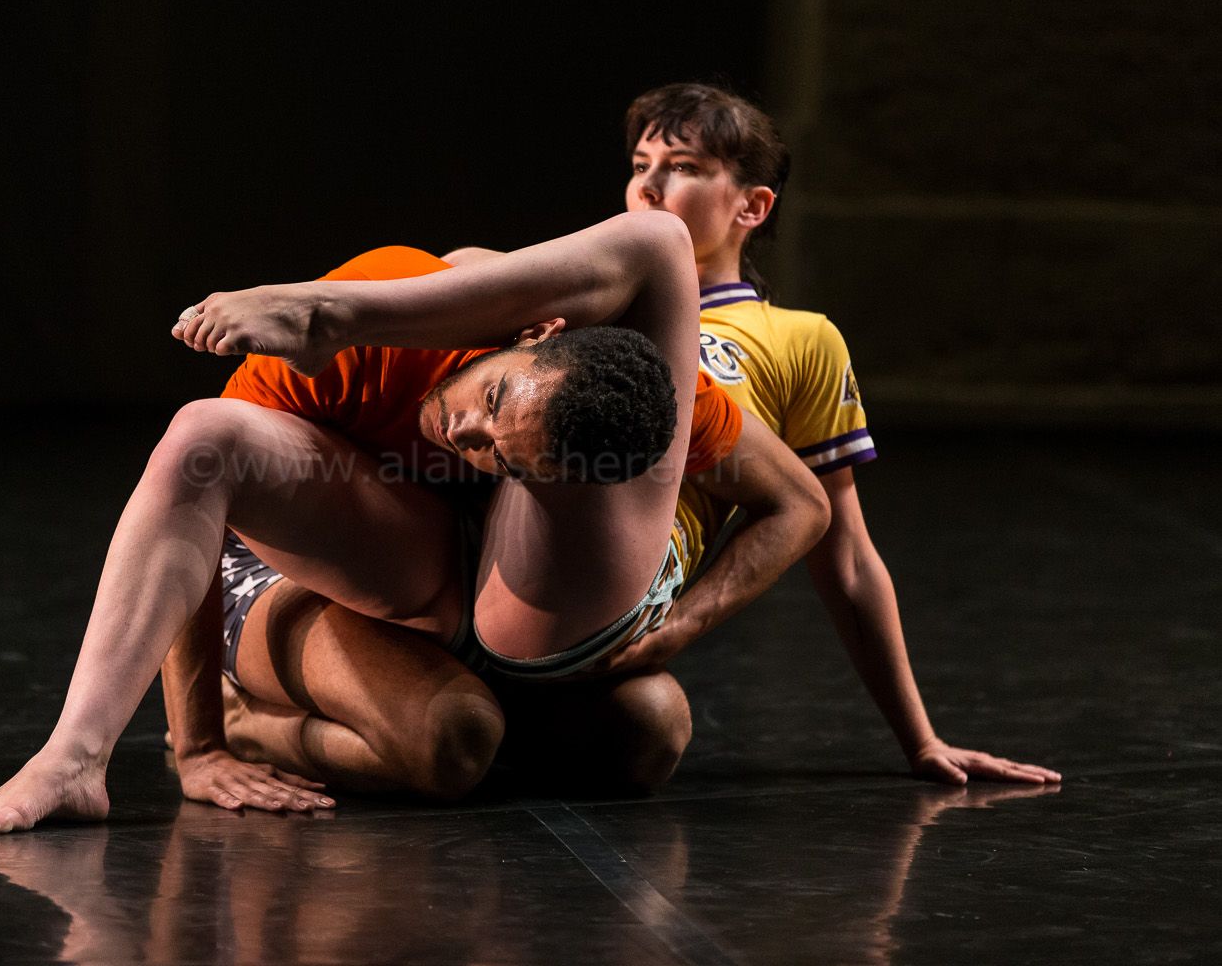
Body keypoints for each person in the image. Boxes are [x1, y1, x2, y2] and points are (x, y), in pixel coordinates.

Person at [0, 210, 761, 832]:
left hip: (486, 595)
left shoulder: (625, 397)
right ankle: (79, 758)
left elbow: (801, 502)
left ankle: (489, 672)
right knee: (453, 740)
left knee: (653, 732)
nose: (465, 434)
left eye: (503, 456)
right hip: (321, 572)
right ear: (533, 330)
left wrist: (684, 620)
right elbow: (200, 509)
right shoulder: (350, 352)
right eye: (490, 399)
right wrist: (200, 744)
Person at [449, 81, 1059, 785]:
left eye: (682, 167)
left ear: (752, 205)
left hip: (610, 583)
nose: (648, 186)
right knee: (470, 265)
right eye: (641, 165)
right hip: (483, 539)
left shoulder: (800, 340)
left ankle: (487, 705)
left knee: (654, 730)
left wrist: (920, 740)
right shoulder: (585, 297)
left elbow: (846, 555)